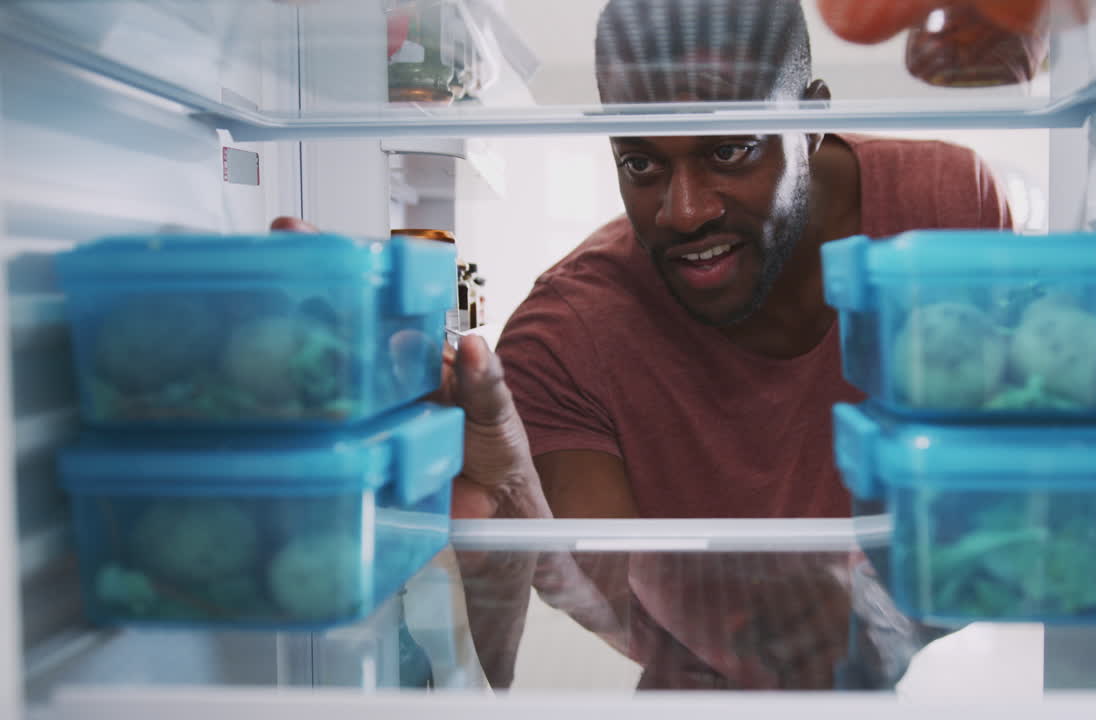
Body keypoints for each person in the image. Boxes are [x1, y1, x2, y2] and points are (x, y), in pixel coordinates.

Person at [275, 0, 1009, 691]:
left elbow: (1005, 496)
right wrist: (512, 504)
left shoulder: (945, 209)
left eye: (729, 150)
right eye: (641, 163)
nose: (684, 211)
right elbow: (618, 605)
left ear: (811, 119)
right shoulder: (563, 339)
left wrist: (889, 618)